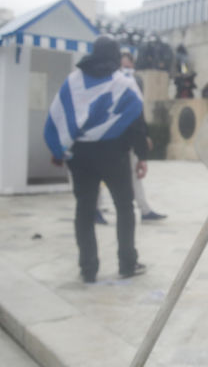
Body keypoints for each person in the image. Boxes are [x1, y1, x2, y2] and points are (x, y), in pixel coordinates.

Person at [44, 36, 148, 283]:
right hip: (115, 155)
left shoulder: (73, 81)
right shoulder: (124, 83)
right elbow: (136, 122)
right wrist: (142, 156)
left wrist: (58, 152)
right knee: (124, 207)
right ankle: (127, 263)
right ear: (114, 55)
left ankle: (88, 268)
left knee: (84, 210)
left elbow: (60, 116)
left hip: (81, 156)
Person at [96, 52, 167, 223]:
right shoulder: (108, 84)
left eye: (128, 67)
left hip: (129, 139)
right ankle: (95, 208)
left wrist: (144, 137)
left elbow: (138, 114)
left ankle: (144, 210)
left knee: (134, 174)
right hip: (109, 140)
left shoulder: (135, 82)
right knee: (99, 174)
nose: (125, 71)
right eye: (123, 67)